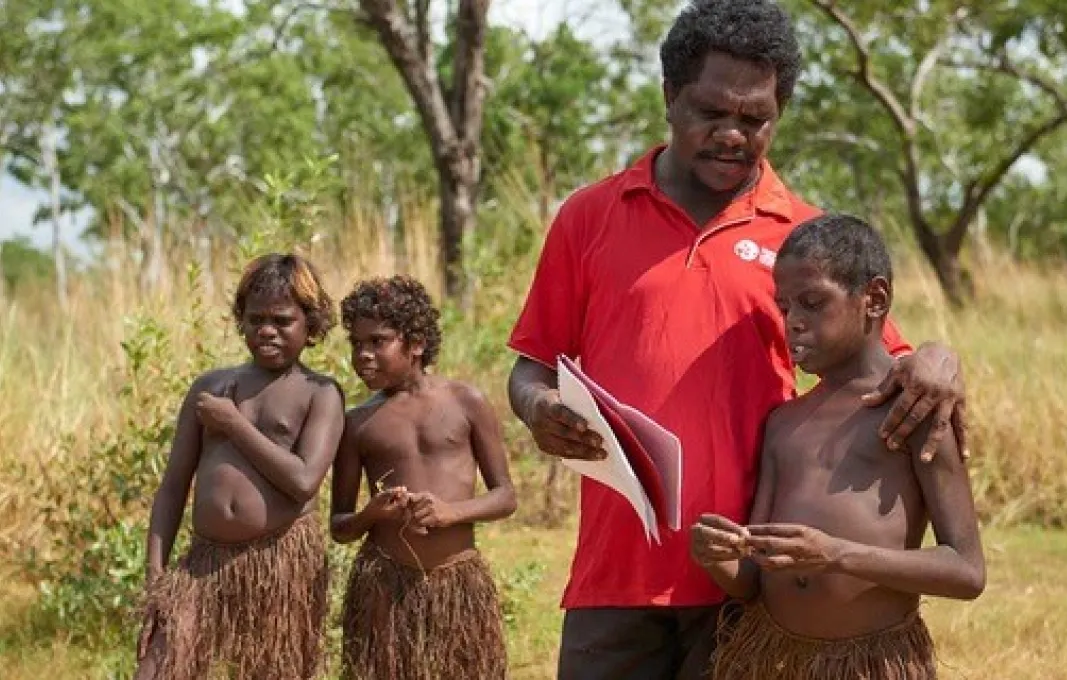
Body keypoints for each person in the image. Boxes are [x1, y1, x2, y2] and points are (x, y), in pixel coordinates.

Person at [506, 1, 968, 678]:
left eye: (756, 119)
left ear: (780, 111)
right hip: (615, 573)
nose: (732, 134)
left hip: (750, 582)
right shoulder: (588, 216)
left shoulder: (803, 239)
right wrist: (539, 408)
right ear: (669, 97)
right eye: (711, 112)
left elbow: (883, 366)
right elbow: (530, 368)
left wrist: (939, 356)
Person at [691, 213, 985, 679]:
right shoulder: (784, 423)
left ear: (874, 299)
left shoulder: (913, 410)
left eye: (812, 303)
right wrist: (720, 557)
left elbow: (967, 571)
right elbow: (752, 581)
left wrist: (836, 554)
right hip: (775, 658)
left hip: (868, 663)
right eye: (785, 307)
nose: (793, 324)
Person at [135, 253, 344, 680]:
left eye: (283, 321)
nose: (267, 330)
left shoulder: (319, 393)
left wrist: (233, 423)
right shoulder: (208, 389)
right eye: (256, 319)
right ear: (241, 321)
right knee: (157, 669)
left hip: (279, 558)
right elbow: (173, 487)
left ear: (310, 325)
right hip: (203, 562)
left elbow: (304, 481)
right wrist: (157, 580)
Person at [331, 275, 517, 680]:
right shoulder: (357, 424)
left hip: (457, 580)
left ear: (415, 343)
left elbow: (505, 496)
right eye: (356, 344)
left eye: (377, 342)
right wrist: (372, 514)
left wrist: (451, 512)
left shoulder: (465, 402)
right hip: (383, 583)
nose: (363, 355)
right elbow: (339, 526)